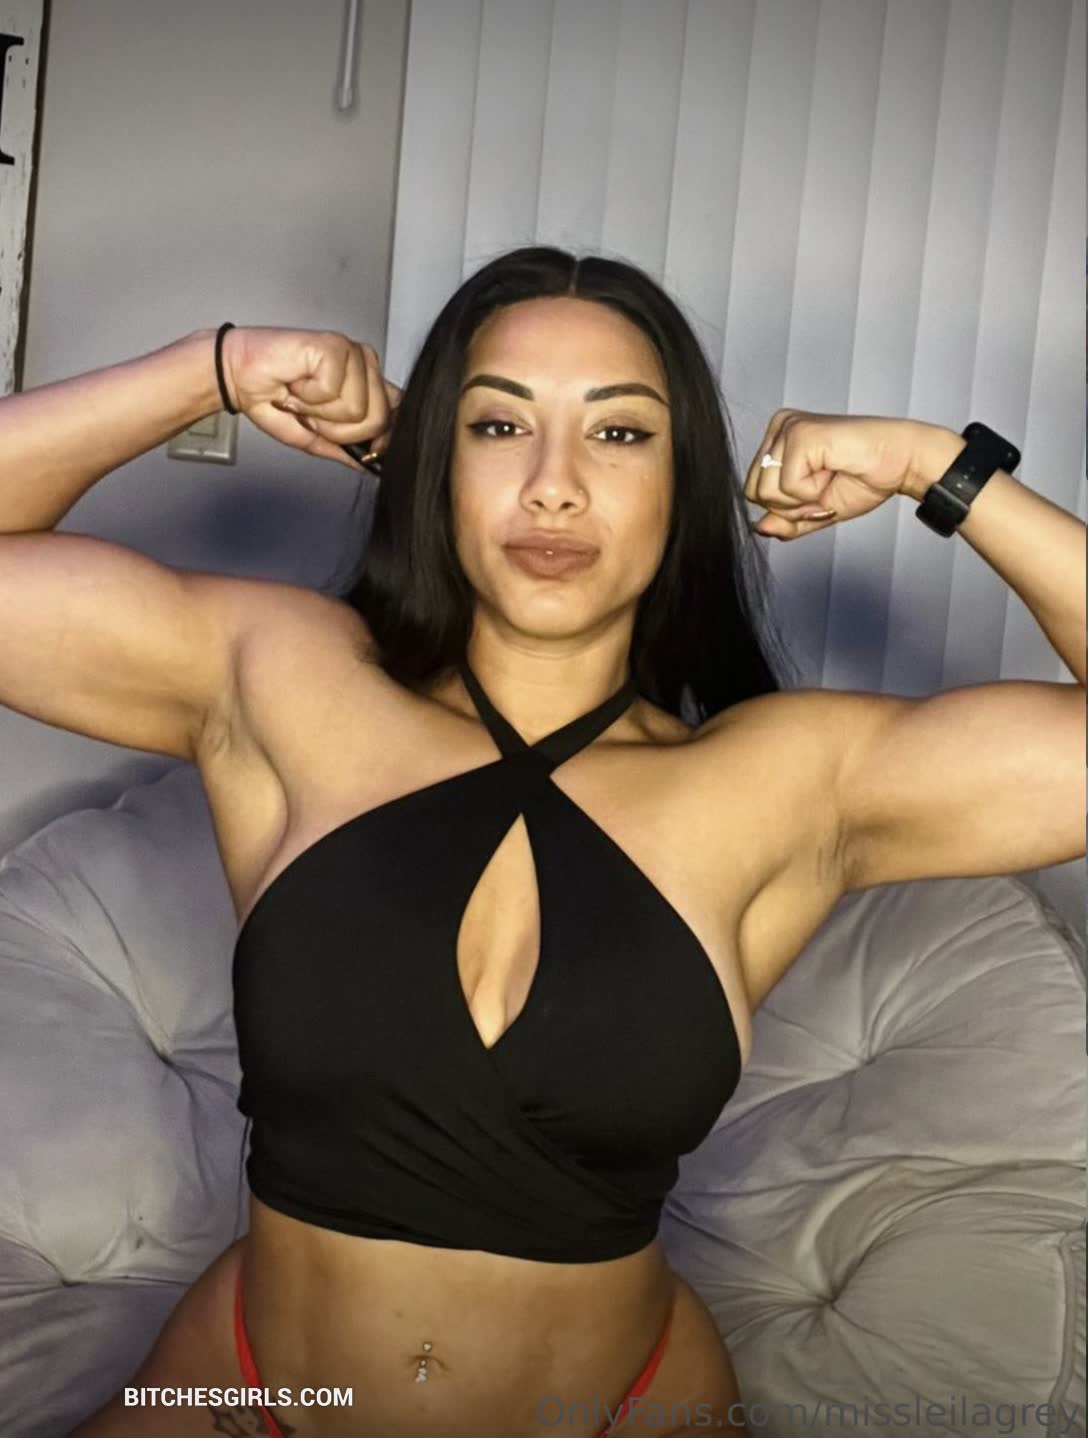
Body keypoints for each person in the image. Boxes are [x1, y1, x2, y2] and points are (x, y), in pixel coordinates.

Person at [2, 246, 1081, 1438]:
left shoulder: (787, 782)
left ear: (682, 486)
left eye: (618, 434)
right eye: (498, 426)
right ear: (434, 466)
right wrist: (214, 369)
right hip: (252, 1393)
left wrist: (936, 467)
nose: (553, 485)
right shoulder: (286, 680)